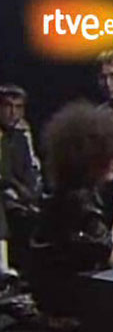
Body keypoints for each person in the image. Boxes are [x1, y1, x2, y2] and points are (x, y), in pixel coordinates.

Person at [30, 102, 113, 315]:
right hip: (68, 299)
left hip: (53, 291)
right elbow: (107, 254)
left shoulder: (66, 193)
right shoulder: (79, 201)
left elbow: (92, 246)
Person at [0, 84, 43, 268]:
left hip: (24, 197)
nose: (13, 113)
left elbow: (30, 169)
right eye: (7, 106)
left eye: (18, 107)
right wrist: (17, 190)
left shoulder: (22, 137)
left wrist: (32, 192)